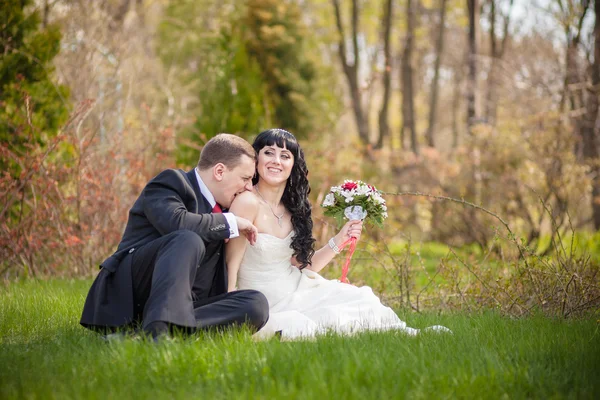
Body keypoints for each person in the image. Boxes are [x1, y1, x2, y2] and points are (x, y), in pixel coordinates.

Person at [226, 128, 450, 340]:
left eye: (285, 155)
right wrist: (231, 306)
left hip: (296, 287)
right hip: (265, 299)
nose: (276, 161)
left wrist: (339, 240)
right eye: (269, 153)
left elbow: (303, 266)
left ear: (293, 165)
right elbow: (230, 261)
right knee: (328, 320)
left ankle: (407, 334)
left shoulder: (291, 209)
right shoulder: (247, 202)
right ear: (257, 160)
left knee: (360, 299)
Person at [80, 133, 269, 340]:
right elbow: (177, 222)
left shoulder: (230, 207)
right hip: (136, 295)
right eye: (245, 178)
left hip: (190, 303)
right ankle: (159, 329)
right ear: (220, 171)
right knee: (187, 238)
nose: (249, 187)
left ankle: (149, 334)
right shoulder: (170, 183)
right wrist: (230, 223)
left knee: (255, 304)